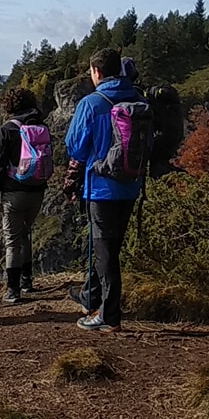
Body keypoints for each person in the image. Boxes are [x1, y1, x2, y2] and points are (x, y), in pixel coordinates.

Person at [63, 49, 145, 331]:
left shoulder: (92, 103)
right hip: (131, 186)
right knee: (111, 249)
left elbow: (75, 146)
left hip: (100, 189)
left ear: (96, 72)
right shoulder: (138, 99)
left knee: (104, 253)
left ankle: (108, 317)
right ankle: (93, 298)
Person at [0, 86, 49, 303]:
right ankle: (27, 281)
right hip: (37, 190)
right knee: (26, 234)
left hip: (13, 192)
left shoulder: (7, 129)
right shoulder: (40, 125)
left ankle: (13, 290)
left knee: (12, 241)